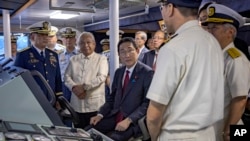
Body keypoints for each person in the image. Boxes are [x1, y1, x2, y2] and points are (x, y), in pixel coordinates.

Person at [146, 0, 224, 141]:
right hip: (209, 134)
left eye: (161, 7)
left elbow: (154, 113)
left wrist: (154, 137)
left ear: (170, 8)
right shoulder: (213, 42)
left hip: (177, 136)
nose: (162, 12)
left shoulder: (172, 48)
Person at [90, 37, 154, 141]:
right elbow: (111, 98)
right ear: (119, 55)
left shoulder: (147, 73)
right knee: (89, 130)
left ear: (137, 51)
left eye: (130, 50)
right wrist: (100, 114)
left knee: (113, 138)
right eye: (122, 52)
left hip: (132, 121)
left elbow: (147, 104)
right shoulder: (119, 72)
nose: (126, 55)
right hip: (114, 116)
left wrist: (129, 120)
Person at [202, 3, 250, 141]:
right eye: (208, 28)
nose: (209, 32)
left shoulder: (235, 59)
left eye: (214, 28)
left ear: (230, 32)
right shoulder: (213, 56)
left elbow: (240, 99)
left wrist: (229, 131)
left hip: (224, 129)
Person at [64, 32, 108, 129]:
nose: (86, 45)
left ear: (94, 44)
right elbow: (66, 77)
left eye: (88, 42)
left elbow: (101, 77)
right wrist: (74, 88)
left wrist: (83, 87)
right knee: (79, 133)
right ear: (78, 45)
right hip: (76, 105)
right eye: (82, 43)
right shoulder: (73, 59)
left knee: (93, 133)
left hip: (95, 106)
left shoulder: (101, 59)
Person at [14, 21, 63, 102]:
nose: (46, 38)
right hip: (32, 100)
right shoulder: (23, 55)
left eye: (47, 35)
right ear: (32, 37)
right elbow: (18, 81)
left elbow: (57, 78)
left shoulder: (53, 54)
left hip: (52, 99)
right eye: (41, 35)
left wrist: (59, 97)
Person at [59, 27, 79, 102]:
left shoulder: (81, 54)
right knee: (65, 108)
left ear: (75, 40)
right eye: (66, 38)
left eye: (71, 38)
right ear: (63, 40)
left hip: (77, 84)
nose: (68, 40)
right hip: (64, 85)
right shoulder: (58, 55)